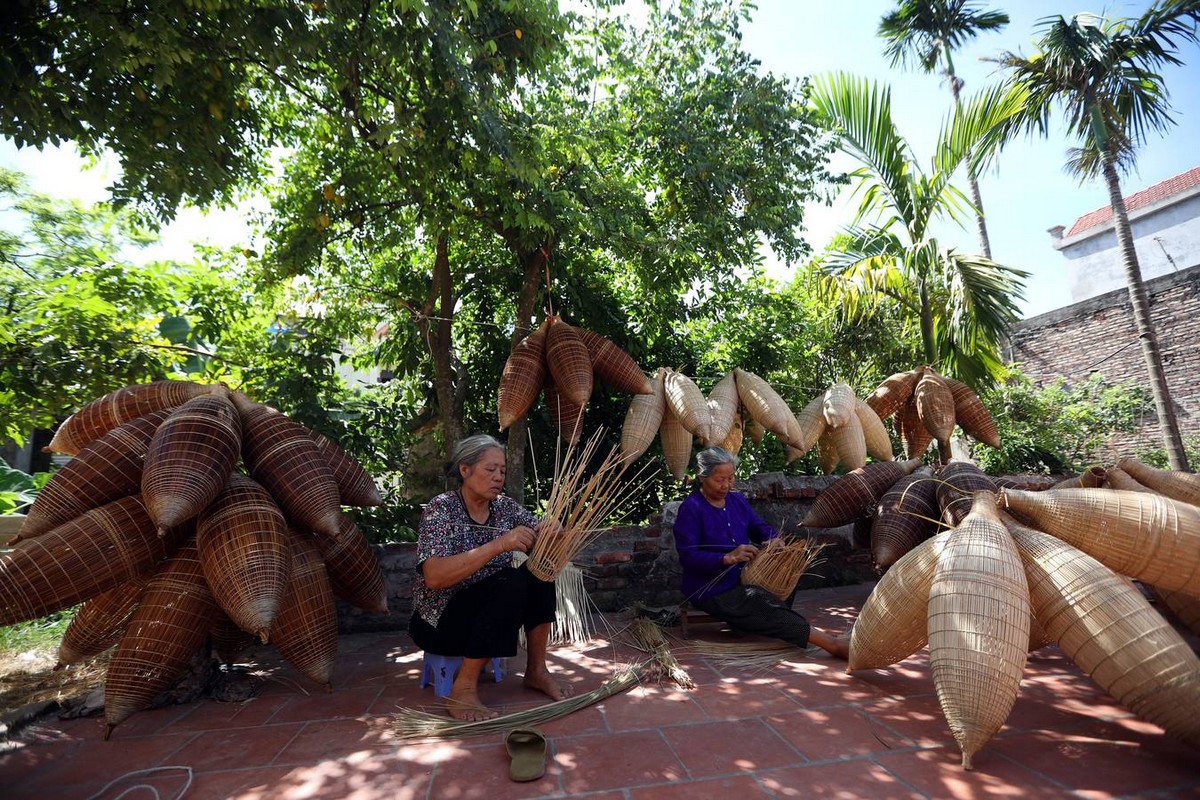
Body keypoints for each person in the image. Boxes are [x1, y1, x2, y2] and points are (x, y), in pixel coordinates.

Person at [410, 434, 574, 720]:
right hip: (441, 622)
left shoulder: (505, 508)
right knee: (509, 581)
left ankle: (536, 670)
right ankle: (463, 689)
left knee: (540, 573)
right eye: (490, 469)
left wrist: (552, 532)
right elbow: (434, 577)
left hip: (492, 614)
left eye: (502, 471)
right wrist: (499, 545)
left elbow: (541, 541)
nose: (498, 477)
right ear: (465, 470)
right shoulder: (442, 509)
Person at [673, 446, 849, 658]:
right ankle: (831, 644)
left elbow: (758, 527)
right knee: (759, 601)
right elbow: (688, 557)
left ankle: (749, 623)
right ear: (702, 477)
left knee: (786, 574)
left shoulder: (736, 500)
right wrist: (727, 558)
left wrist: (773, 539)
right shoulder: (691, 508)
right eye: (720, 480)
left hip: (743, 578)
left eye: (731, 478)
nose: (727, 485)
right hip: (711, 589)